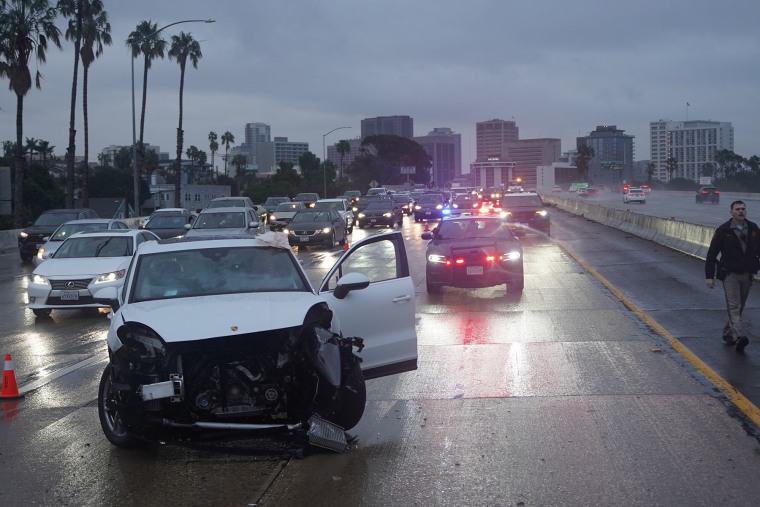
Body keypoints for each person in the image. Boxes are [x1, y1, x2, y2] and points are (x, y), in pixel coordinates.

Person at [705, 200, 760, 353]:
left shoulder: (753, 228)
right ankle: (739, 337)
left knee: (740, 305)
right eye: (737, 209)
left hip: (747, 273)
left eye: (743, 209)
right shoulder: (723, 231)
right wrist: (709, 276)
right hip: (730, 274)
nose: (741, 211)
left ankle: (728, 333)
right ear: (731, 212)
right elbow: (712, 254)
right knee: (734, 305)